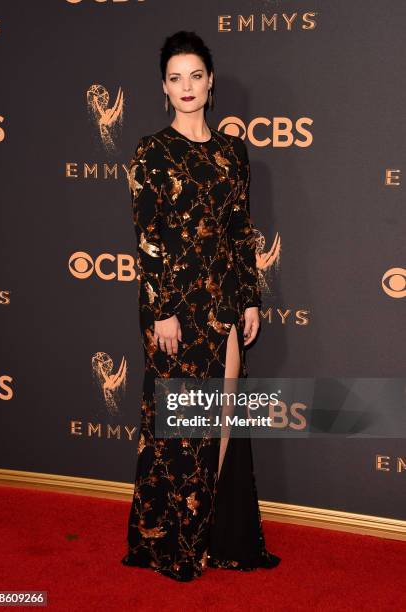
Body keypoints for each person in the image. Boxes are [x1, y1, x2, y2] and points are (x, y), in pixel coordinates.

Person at [122, 30, 281, 582]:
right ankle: (172, 542)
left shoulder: (233, 151)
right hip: (173, 311)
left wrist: (251, 301)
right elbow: (148, 241)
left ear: (211, 83)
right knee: (176, 427)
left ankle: (211, 530)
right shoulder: (151, 151)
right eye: (174, 77)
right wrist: (162, 310)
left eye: (195, 75)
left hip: (225, 306)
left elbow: (242, 233)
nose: (186, 86)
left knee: (222, 420)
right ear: (163, 88)